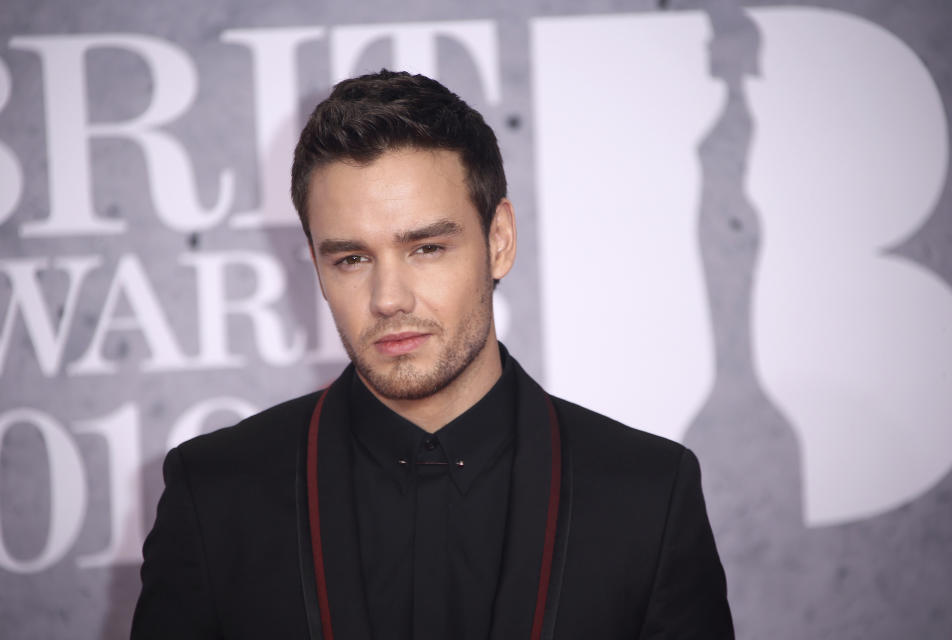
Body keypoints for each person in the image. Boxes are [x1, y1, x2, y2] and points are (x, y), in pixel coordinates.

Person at [131, 70, 734, 640]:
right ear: (316, 265)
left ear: (498, 242)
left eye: (426, 248)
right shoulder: (213, 497)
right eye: (351, 259)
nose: (388, 299)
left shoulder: (648, 495)